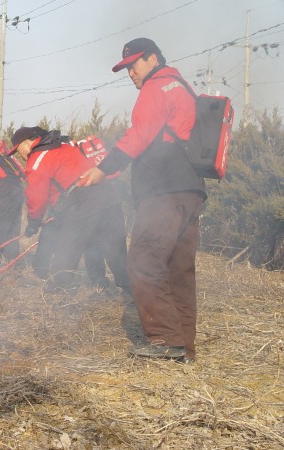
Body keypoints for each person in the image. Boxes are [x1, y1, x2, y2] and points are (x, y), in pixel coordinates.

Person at [80, 38, 206, 364]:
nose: (131, 73)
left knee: (143, 261)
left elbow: (139, 134)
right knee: (179, 270)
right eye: (126, 68)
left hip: (163, 192)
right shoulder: (181, 86)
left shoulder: (157, 86)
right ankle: (183, 348)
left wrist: (103, 170)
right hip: (189, 189)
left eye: (134, 64)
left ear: (153, 58)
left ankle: (165, 340)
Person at [10, 127, 129, 292]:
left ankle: (57, 291)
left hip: (83, 202)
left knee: (66, 249)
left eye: (17, 149)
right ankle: (138, 294)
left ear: (27, 142)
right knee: (117, 254)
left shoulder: (38, 158)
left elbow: (36, 196)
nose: (18, 155)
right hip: (108, 196)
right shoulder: (63, 146)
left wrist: (33, 222)